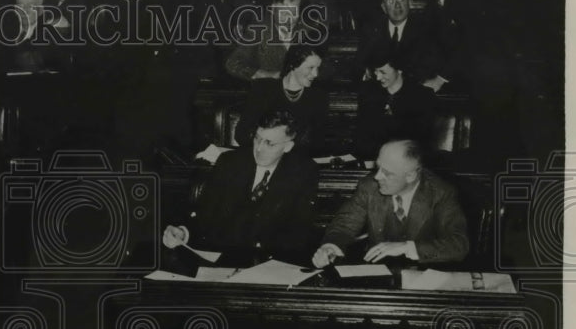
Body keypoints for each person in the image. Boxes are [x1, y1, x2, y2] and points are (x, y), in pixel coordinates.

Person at [163, 110, 318, 261]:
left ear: (288, 146)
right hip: (223, 259)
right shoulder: (229, 163)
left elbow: (298, 233)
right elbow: (204, 214)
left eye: (269, 143)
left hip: (271, 263)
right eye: (257, 138)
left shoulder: (303, 172)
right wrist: (183, 232)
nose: (259, 148)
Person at [312, 139, 469, 267]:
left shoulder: (441, 193)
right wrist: (330, 247)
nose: (377, 177)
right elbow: (344, 225)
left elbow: (458, 245)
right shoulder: (369, 187)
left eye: (387, 173)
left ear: (410, 176)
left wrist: (407, 247)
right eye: (378, 167)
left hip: (424, 275)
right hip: (376, 273)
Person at [412, 0, 483, 94]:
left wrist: (440, 79)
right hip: (460, 76)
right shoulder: (433, 0)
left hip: (482, 81)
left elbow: (469, 43)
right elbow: (427, 40)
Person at [225, 0, 317, 82]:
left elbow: (327, 68)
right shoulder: (259, 29)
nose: (289, 19)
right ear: (272, 8)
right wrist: (267, 75)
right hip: (267, 93)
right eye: (284, 12)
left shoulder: (308, 29)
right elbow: (233, 63)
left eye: (294, 13)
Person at [238, 45, 329, 154]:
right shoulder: (263, 89)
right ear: (292, 65)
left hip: (298, 159)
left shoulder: (318, 96)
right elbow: (242, 134)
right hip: (263, 154)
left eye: (318, 68)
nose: (315, 74)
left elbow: (318, 142)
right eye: (310, 68)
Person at [354, 51, 439, 161]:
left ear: (399, 69)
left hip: (409, 159)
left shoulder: (422, 96)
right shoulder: (368, 93)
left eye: (383, 72)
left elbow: (422, 139)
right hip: (375, 159)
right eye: (375, 71)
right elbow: (363, 134)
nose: (378, 77)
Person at [352, 0, 434, 83]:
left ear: (409, 2)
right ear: (384, 8)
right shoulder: (371, 29)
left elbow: (427, 68)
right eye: (391, 1)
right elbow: (359, 65)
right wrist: (369, 73)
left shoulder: (425, 28)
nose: (397, 5)